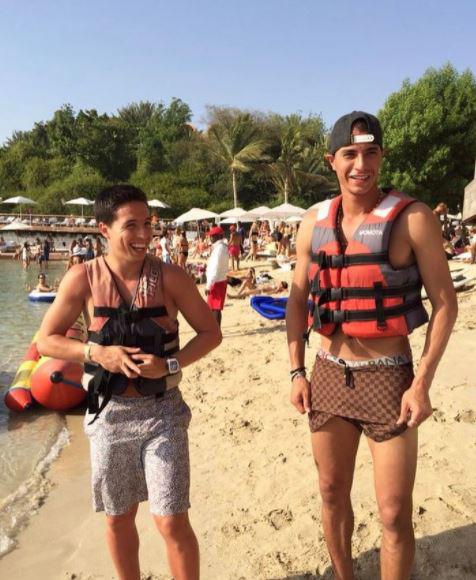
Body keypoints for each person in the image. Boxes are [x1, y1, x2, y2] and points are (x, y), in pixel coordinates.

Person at [286, 111, 458, 580]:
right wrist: (296, 371)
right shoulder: (311, 222)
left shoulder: (413, 218)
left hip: (389, 376)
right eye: (350, 155)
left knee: (393, 512)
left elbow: (445, 304)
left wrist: (421, 382)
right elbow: (298, 299)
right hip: (327, 372)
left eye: (371, 153)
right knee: (330, 491)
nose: (361, 165)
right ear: (332, 161)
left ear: (381, 156)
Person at [37, 184, 222, 580]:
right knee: (119, 518)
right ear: (104, 228)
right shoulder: (81, 279)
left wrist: (170, 363)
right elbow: (45, 340)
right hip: (109, 414)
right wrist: (96, 353)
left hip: (163, 414)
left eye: (148, 225)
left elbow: (210, 333)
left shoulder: (171, 277)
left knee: (171, 520)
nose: (143, 235)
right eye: (131, 225)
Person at [206, 226, 229, 328]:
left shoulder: (219, 249)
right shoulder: (223, 247)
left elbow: (214, 268)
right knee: (216, 309)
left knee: (214, 309)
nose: (211, 238)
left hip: (216, 282)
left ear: (218, 237)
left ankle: (215, 330)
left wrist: (208, 285)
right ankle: (217, 330)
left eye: (212, 236)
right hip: (221, 280)